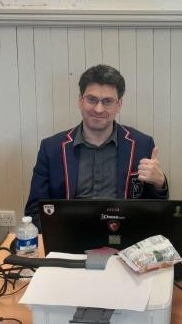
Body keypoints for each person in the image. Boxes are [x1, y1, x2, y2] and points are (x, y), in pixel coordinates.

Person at [24, 64, 168, 230]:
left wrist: (160, 184)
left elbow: (158, 212)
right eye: (92, 100)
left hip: (124, 237)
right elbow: (35, 211)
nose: (98, 109)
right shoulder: (51, 148)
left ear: (119, 104)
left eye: (107, 101)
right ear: (80, 100)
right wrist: (58, 237)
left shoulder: (142, 145)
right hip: (69, 236)